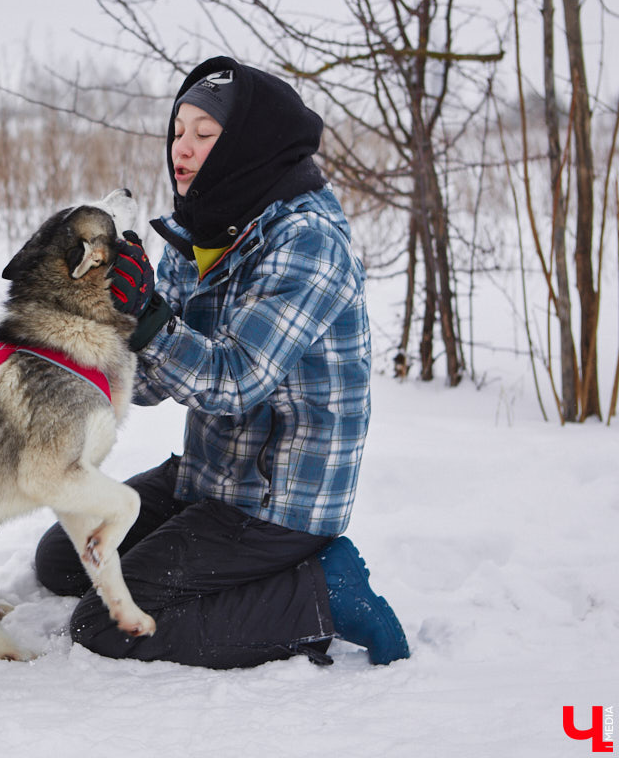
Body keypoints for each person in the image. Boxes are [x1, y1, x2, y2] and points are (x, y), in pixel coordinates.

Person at [33, 56, 410, 668]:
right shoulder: (204, 224)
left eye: (205, 136)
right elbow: (156, 379)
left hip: (278, 500)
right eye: (178, 131)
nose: (183, 149)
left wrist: (149, 318)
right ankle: (236, 574)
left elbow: (236, 379)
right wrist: (94, 323)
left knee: (105, 623)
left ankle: (321, 594)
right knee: (65, 557)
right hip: (210, 475)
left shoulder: (308, 240)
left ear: (249, 145)